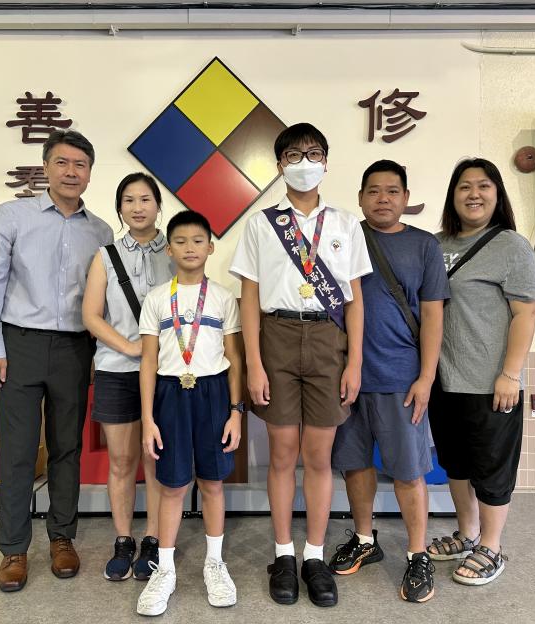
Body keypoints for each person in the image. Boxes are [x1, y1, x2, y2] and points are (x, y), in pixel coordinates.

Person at [229, 122, 372, 608]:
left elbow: (354, 301)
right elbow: (249, 299)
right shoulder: (261, 224)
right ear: (280, 165)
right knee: (282, 453)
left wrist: (354, 362)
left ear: (326, 163)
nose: (304, 163)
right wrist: (254, 364)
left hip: (329, 340)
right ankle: (283, 554)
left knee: (319, 455)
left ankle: (314, 555)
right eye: (293, 155)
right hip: (278, 337)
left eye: (313, 154)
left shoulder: (346, 224)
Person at [0, 129, 114, 592]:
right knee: (17, 451)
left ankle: (62, 537)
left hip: (75, 348)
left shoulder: (101, 231)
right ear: (46, 167)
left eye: (80, 165)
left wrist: (101, 353)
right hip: (19, 344)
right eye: (62, 163)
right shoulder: (11, 215)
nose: (71, 172)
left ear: (89, 173)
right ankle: (14, 549)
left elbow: (104, 300)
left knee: (66, 447)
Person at [327, 160, 449, 603]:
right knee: (354, 463)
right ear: (360, 197)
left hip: (401, 377)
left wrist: (426, 377)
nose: (383, 199)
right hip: (346, 376)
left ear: (405, 198)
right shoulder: (343, 238)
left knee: (408, 470)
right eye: (374, 191)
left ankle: (418, 554)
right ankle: (364, 539)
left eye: (392, 191)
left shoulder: (424, 246)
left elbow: (433, 315)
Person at [425, 157, 535, 586]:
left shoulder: (511, 246)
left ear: (497, 194)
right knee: (455, 463)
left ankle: (491, 547)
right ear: (452, 195)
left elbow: (527, 312)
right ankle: (468, 534)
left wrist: (510, 374)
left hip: (490, 382)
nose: (473, 194)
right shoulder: (434, 244)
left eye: (483, 186)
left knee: (492, 467)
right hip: (443, 378)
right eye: (464, 186)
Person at [135, 210, 244, 616]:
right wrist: (148, 418)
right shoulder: (156, 299)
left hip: (213, 393)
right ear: (169, 249)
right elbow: (148, 362)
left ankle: (214, 563)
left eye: (198, 240)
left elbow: (235, 360)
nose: (190, 248)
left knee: (213, 482)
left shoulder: (223, 298)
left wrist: (236, 412)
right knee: (173, 486)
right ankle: (164, 569)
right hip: (169, 394)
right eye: (180, 241)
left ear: (210, 247)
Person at [81, 172, 173, 581]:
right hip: (116, 370)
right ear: (119, 208)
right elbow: (91, 315)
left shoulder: (175, 250)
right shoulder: (105, 256)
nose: (138, 207)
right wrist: (131, 347)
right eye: (129, 200)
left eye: (146, 199)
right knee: (121, 461)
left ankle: (153, 538)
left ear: (158, 206)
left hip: (166, 373)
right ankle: (123, 539)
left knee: (155, 459)